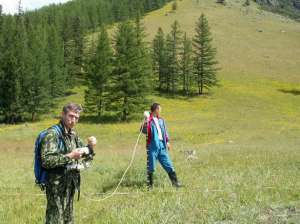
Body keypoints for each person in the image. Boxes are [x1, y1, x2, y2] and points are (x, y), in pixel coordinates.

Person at [40, 103, 96, 224]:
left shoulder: (72, 134)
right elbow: (46, 161)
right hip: (56, 186)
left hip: (70, 184)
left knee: (68, 219)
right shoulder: (52, 134)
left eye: (76, 117)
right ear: (63, 114)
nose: (73, 120)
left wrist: (90, 147)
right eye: (71, 116)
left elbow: (83, 151)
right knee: (55, 219)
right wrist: (70, 156)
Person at [143, 103, 182, 189]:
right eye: (159, 109)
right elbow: (143, 130)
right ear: (156, 110)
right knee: (151, 166)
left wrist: (167, 141)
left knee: (168, 163)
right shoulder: (149, 120)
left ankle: (175, 183)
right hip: (152, 146)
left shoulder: (161, 120)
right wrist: (146, 121)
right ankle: (149, 186)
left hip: (162, 145)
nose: (160, 111)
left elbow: (165, 131)